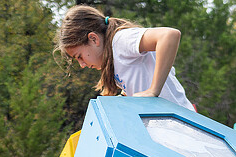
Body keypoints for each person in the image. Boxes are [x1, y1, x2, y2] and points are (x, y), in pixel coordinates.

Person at [56, 5, 194, 111]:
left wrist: (153, 90)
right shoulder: (113, 57)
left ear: (93, 39)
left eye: (79, 56)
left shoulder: (120, 40)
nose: (82, 64)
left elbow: (169, 35)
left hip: (182, 121)